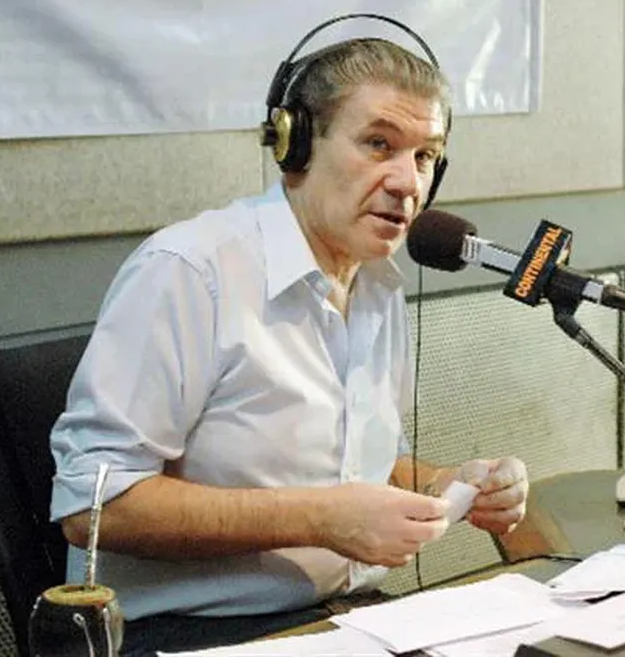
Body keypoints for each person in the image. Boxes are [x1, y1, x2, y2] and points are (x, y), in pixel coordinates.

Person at [49, 33, 529, 656]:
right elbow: (94, 509)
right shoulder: (189, 271)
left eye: (425, 156)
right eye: (378, 144)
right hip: (188, 637)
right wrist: (320, 520)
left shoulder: (376, 282)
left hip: (350, 621)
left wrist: (446, 484)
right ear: (294, 143)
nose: (407, 182)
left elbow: (355, 466)